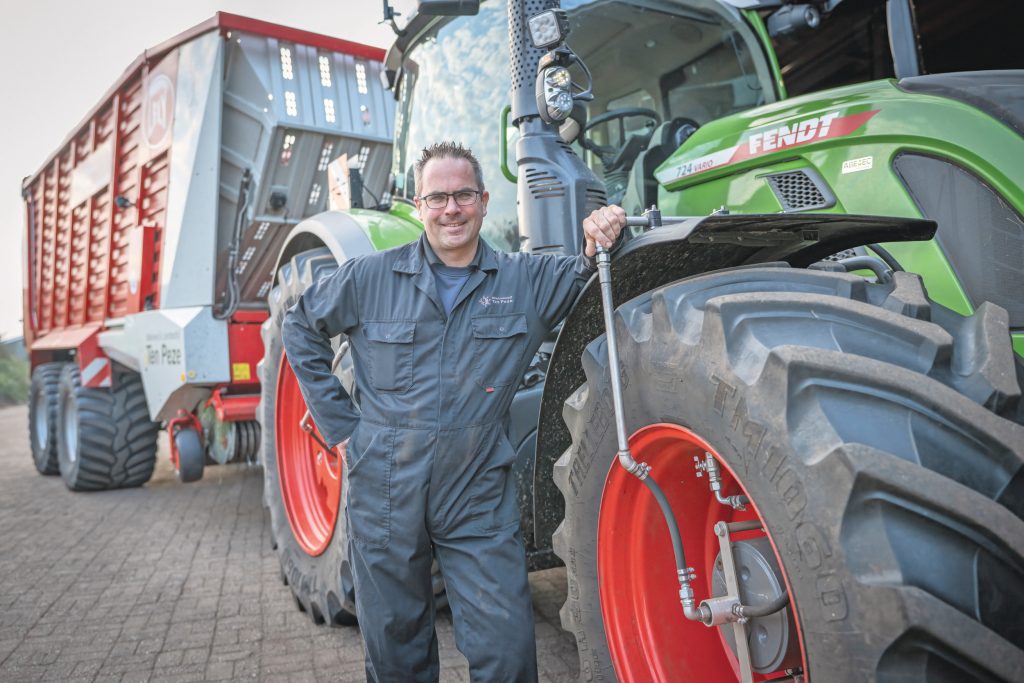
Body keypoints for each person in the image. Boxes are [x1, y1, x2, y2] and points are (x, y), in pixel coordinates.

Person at [282, 141, 626, 682]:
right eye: (437, 197)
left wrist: (601, 231)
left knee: (507, 649)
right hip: (385, 487)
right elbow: (299, 325)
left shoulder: (522, 280)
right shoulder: (371, 277)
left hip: (476, 487)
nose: (451, 209)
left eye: (463, 195)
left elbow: (587, 271)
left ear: (484, 201)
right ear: (418, 206)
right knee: (396, 651)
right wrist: (341, 427)